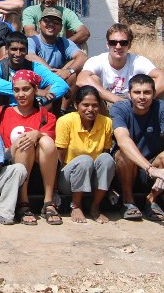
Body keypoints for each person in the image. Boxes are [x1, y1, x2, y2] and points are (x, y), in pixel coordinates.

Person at [0, 69, 61, 225]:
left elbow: (49, 146)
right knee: (25, 142)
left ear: (36, 90)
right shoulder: (1, 113)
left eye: (26, 89)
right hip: (11, 164)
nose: (20, 94)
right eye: (16, 90)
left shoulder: (46, 116)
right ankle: (23, 202)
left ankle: (48, 201)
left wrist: (37, 134)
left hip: (38, 167)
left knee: (46, 141)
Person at [112, 73, 164, 222]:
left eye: (147, 92)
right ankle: (128, 201)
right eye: (137, 92)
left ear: (154, 94)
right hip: (127, 170)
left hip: (153, 166)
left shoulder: (162, 108)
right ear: (129, 94)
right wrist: (150, 169)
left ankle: (153, 199)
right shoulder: (119, 108)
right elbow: (123, 140)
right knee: (123, 154)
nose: (142, 97)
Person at [55, 85, 116, 223]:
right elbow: (59, 157)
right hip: (68, 178)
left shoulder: (106, 122)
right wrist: (54, 190)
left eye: (95, 105)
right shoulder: (66, 121)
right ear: (76, 105)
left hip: (92, 177)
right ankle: (76, 205)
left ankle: (95, 206)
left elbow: (105, 153)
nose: (90, 109)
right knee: (84, 160)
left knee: (107, 159)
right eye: (85, 105)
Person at [77, 24, 164, 104]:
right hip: (105, 105)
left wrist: (142, 102)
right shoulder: (97, 60)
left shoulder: (138, 61)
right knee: (93, 78)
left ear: (129, 45)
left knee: (151, 80)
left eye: (123, 42)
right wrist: (118, 101)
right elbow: (81, 80)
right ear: (107, 44)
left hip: (134, 106)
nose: (118, 46)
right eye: (113, 42)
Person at [0, 33, 69, 107]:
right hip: (5, 109)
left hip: (31, 109)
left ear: (27, 50)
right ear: (6, 50)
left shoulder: (35, 67)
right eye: (14, 49)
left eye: (22, 49)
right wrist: (34, 91)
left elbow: (62, 84)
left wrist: (41, 100)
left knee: (51, 88)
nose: (18, 54)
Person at [28, 7, 88, 95]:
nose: (51, 24)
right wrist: (52, 73)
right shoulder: (32, 41)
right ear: (39, 24)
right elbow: (30, 56)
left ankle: (63, 108)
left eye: (56, 22)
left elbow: (82, 57)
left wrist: (68, 71)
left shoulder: (64, 43)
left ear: (61, 28)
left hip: (59, 82)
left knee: (75, 67)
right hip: (37, 83)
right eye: (47, 21)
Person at [22, 0, 90, 47]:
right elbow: (29, 32)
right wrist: (49, 45)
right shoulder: (30, 11)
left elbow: (84, 33)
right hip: (38, 48)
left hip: (61, 50)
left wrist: (63, 45)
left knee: (83, 46)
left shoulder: (66, 12)